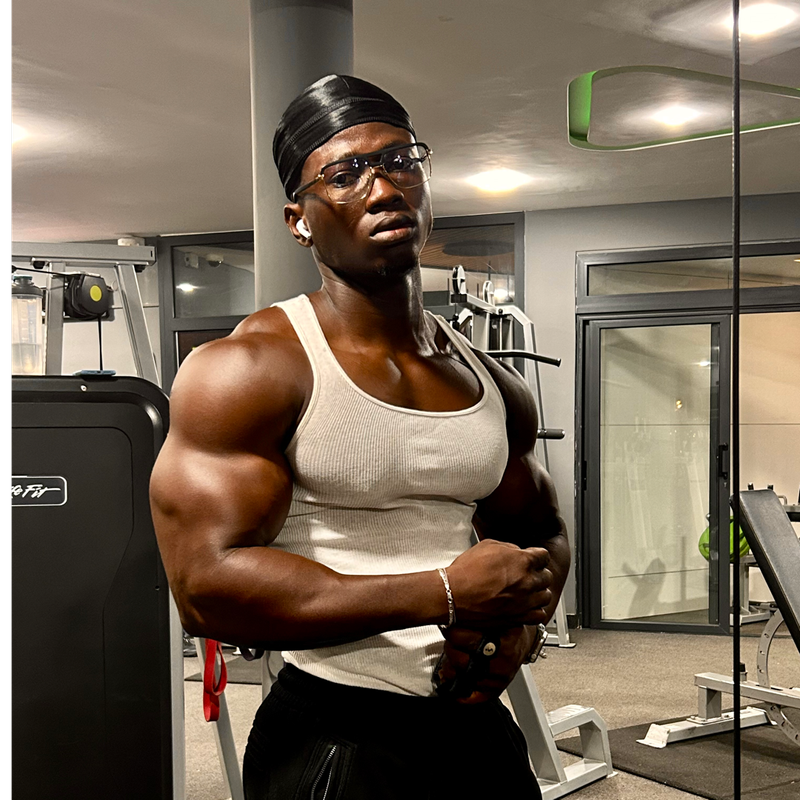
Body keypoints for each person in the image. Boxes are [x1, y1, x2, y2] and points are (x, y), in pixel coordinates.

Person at [150, 74, 570, 799]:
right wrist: (446, 591)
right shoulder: (249, 369)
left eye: (401, 161)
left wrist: (519, 629)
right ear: (299, 220)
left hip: (474, 722)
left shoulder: (493, 383)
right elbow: (207, 588)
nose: (383, 188)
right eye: (345, 174)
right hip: (335, 734)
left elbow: (541, 531)